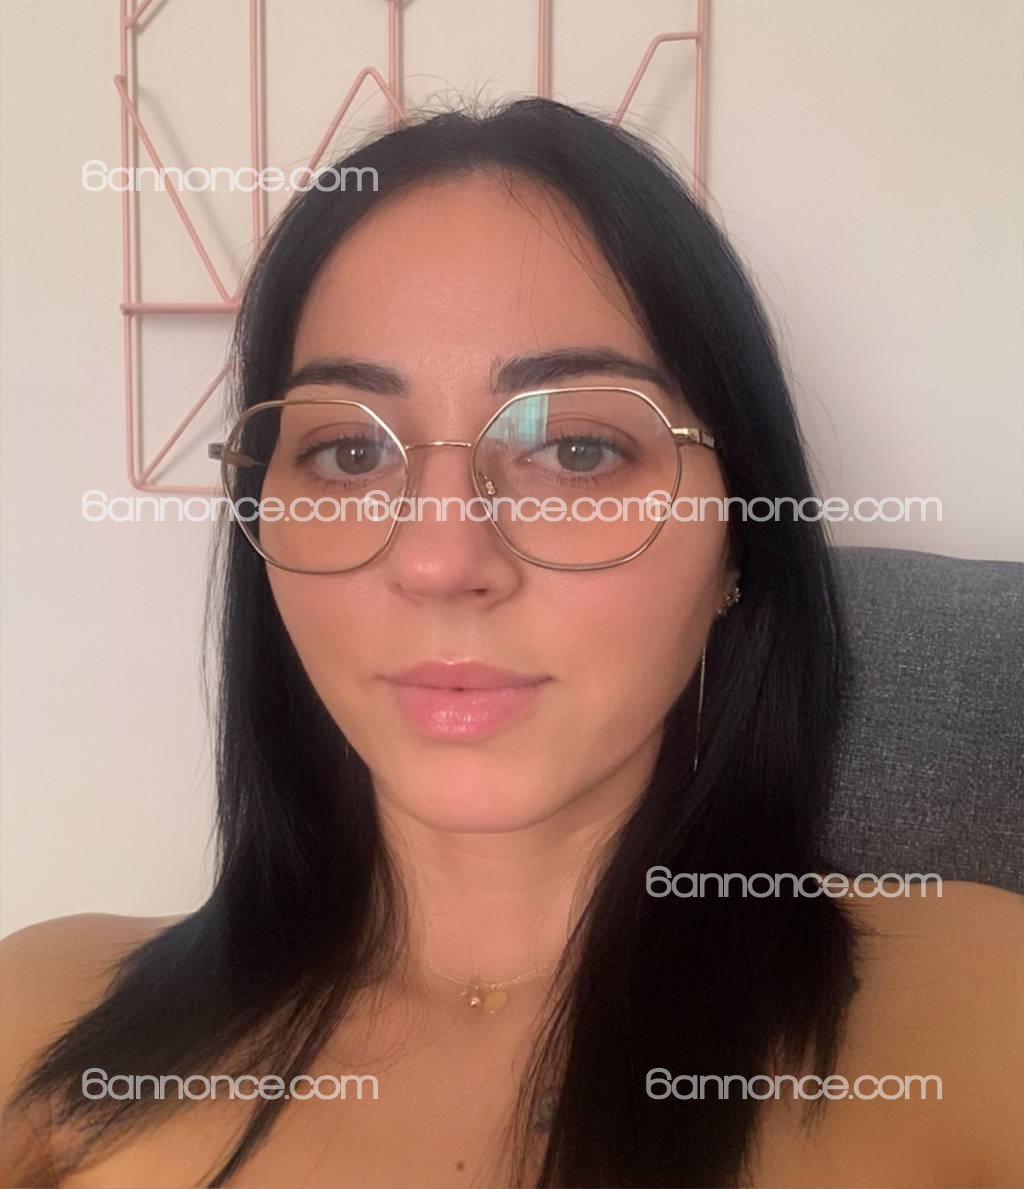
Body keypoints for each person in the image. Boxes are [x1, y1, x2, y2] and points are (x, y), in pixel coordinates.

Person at [1, 99, 1020, 1189]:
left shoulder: (978, 1012)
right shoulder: (43, 1009)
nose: (442, 560)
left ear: (739, 536)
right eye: (348, 453)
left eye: (576, 450)